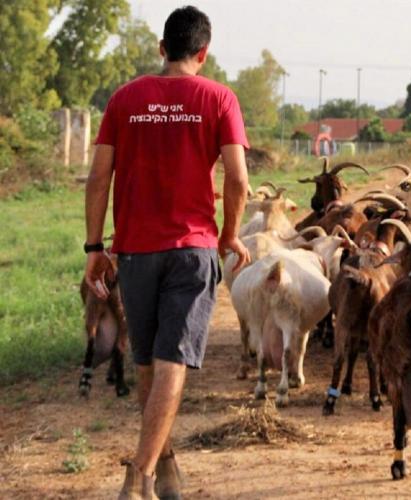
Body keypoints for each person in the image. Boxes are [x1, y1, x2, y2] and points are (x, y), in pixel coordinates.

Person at [83, 6, 251, 499]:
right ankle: (139, 477)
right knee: (171, 361)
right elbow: (238, 179)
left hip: (134, 250)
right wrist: (229, 234)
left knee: (147, 364)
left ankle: (166, 467)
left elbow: (97, 179)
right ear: (203, 52)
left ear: (162, 48)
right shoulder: (219, 97)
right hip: (192, 248)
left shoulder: (124, 98)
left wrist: (95, 247)